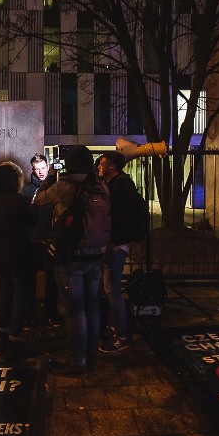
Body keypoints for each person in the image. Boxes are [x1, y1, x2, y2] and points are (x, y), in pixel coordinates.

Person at [33, 145, 109, 378]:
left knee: (76, 312)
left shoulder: (64, 186)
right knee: (92, 307)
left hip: (72, 258)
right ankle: (92, 358)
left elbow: (38, 201)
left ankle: (77, 363)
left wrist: (51, 181)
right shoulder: (101, 186)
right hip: (97, 255)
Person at [0, 162, 36, 362]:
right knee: (22, 297)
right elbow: (32, 223)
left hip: (0, 254)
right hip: (21, 253)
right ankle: (14, 338)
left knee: (5, 295)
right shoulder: (21, 201)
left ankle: (3, 336)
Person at [96, 151, 144, 353]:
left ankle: (122, 335)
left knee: (112, 289)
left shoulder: (122, 186)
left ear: (112, 166)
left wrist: (117, 241)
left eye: (102, 163)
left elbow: (124, 216)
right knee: (109, 289)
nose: (98, 166)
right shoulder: (115, 184)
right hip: (113, 243)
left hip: (116, 245)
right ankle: (113, 326)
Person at [21, 154, 61, 328]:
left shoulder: (54, 188)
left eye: (43, 168)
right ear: (32, 170)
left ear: (48, 167)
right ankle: (30, 316)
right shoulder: (27, 190)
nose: (40, 172)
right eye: (37, 169)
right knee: (29, 280)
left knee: (52, 280)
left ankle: (51, 314)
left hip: (50, 239)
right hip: (32, 241)